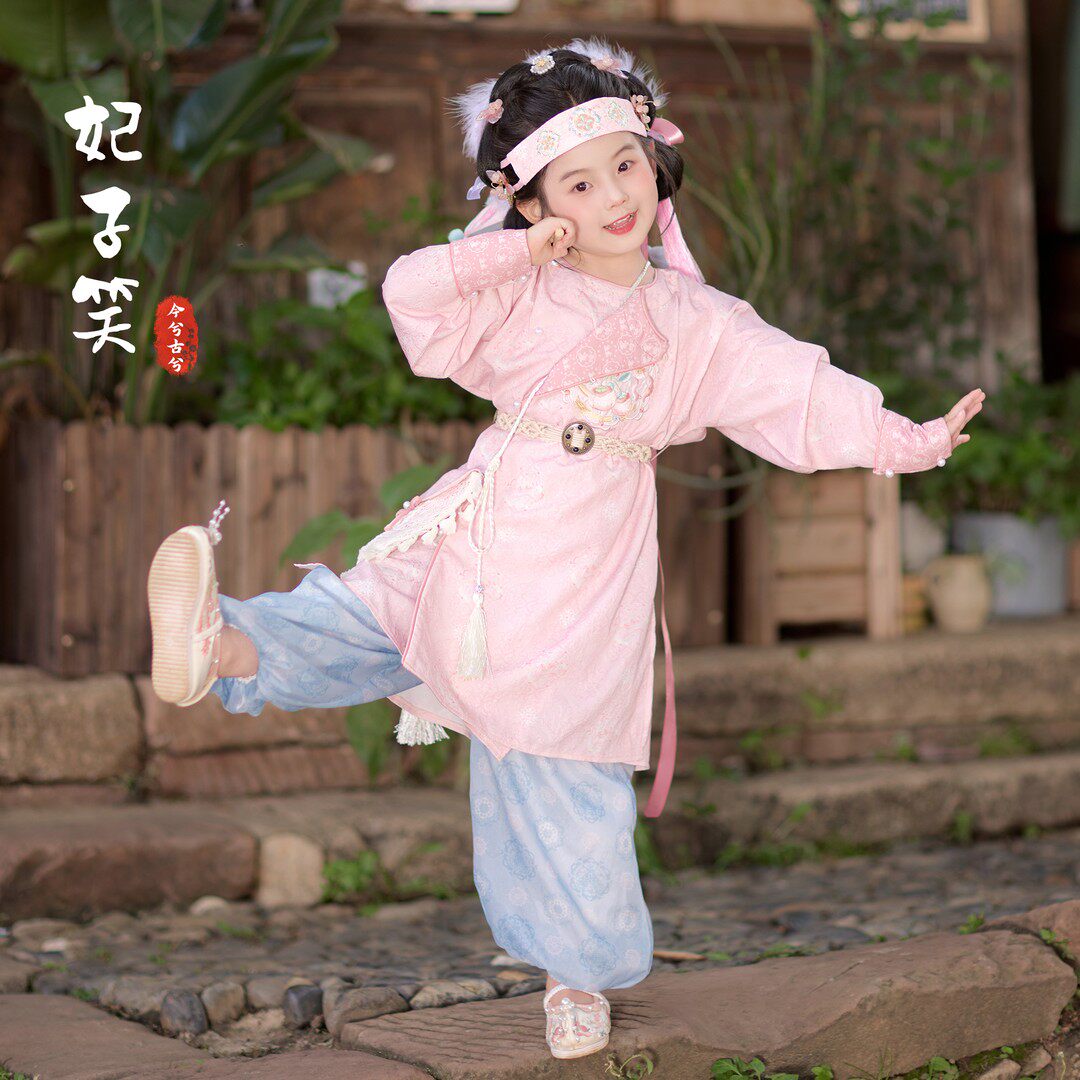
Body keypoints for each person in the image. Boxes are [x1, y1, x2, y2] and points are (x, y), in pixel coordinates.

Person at [146, 37, 984, 1060]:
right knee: (372, 612)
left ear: (654, 160)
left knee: (562, 758)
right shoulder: (518, 289)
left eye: (625, 164)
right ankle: (221, 644)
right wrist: (516, 252)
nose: (615, 195)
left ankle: (575, 974)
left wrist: (905, 439)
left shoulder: (693, 318)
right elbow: (412, 291)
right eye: (578, 184)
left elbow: (792, 388)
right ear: (536, 203)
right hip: (488, 519)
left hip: (589, 559)